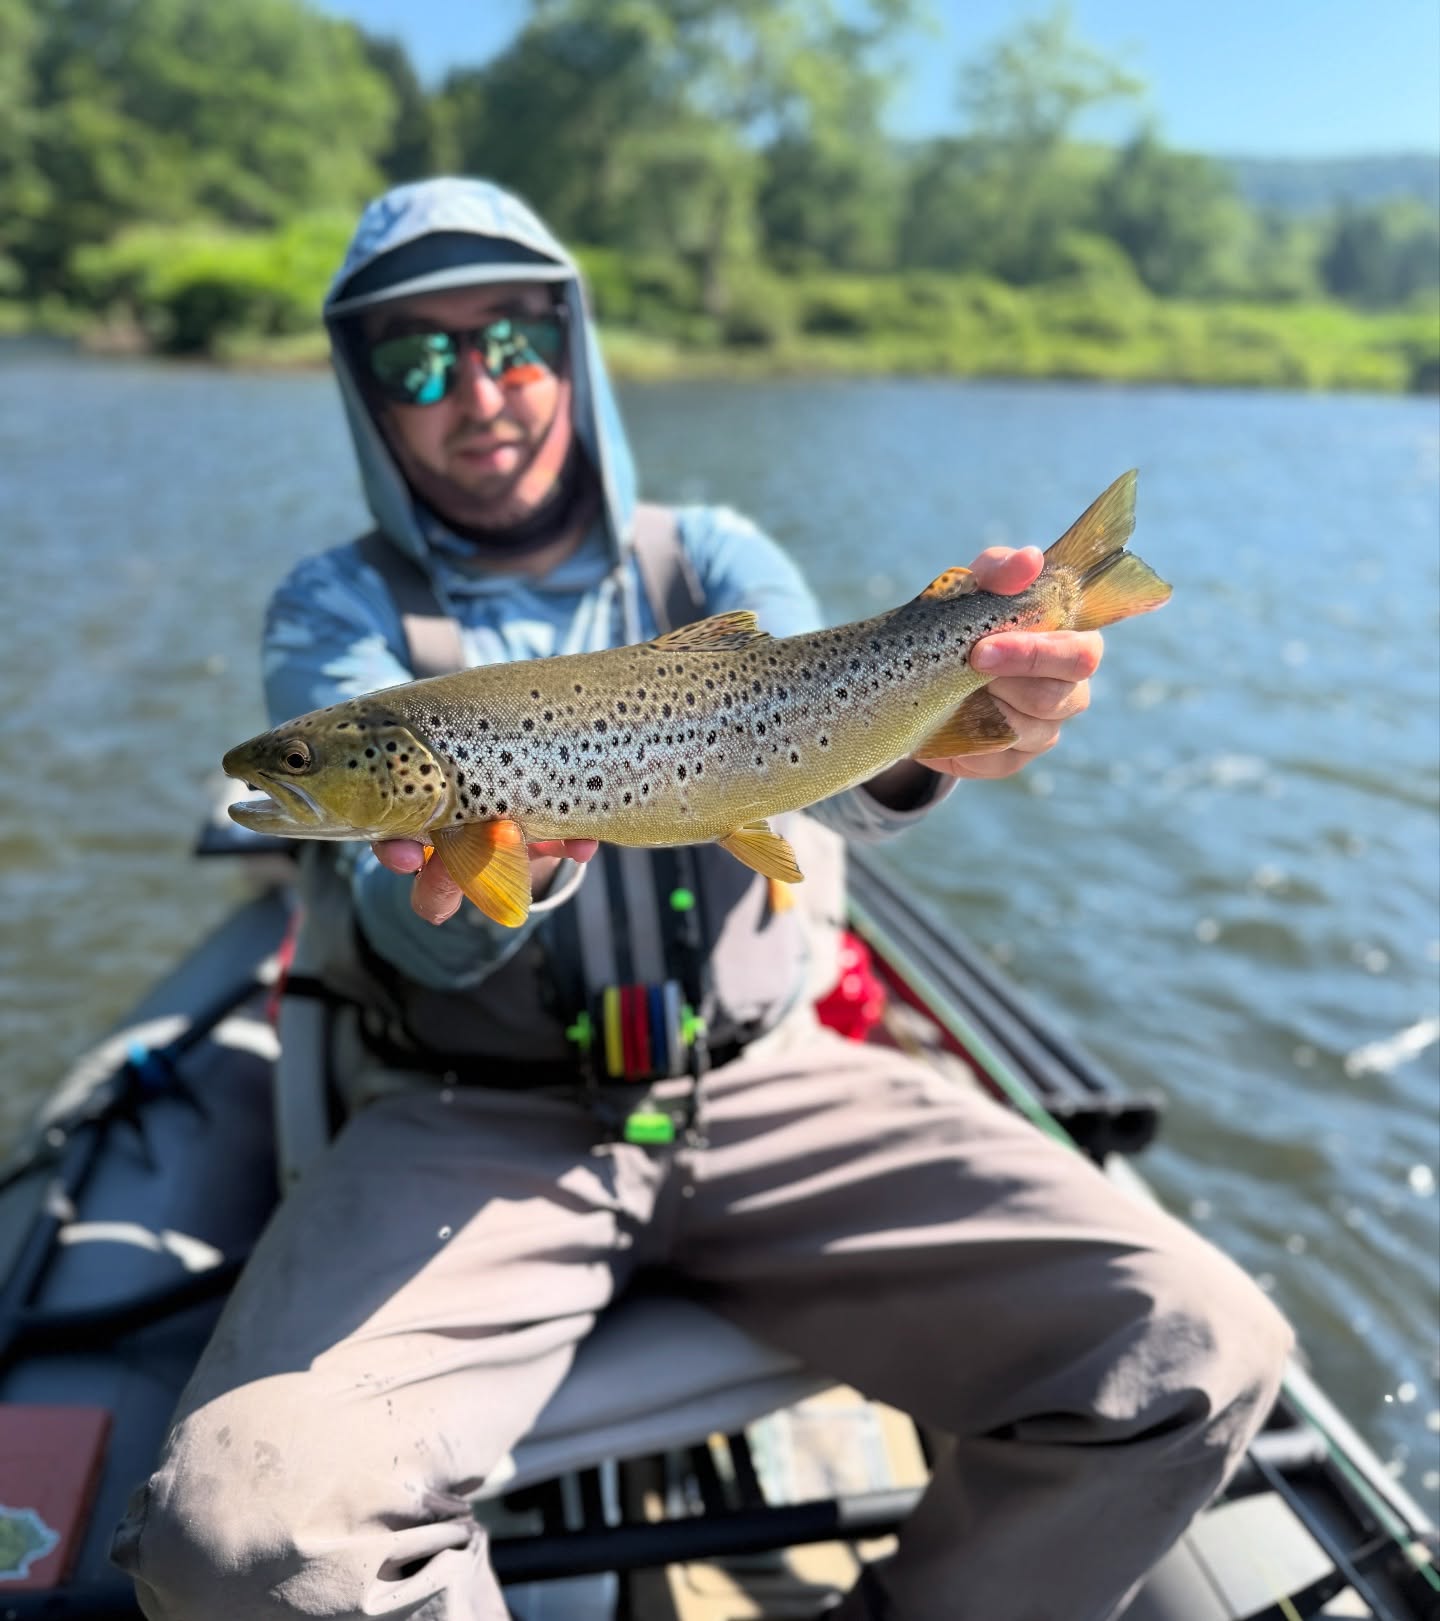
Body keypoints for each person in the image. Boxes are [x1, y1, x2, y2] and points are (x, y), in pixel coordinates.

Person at [112, 179, 1292, 1621]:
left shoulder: (713, 554)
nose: (478, 389)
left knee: (1204, 1347)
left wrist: (962, 719)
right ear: (366, 390)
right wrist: (503, 869)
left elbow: (831, 772)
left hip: (773, 1087)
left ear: (571, 345)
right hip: (474, 1120)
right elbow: (398, 906)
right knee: (238, 1534)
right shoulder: (334, 611)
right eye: (419, 359)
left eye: (512, 339)